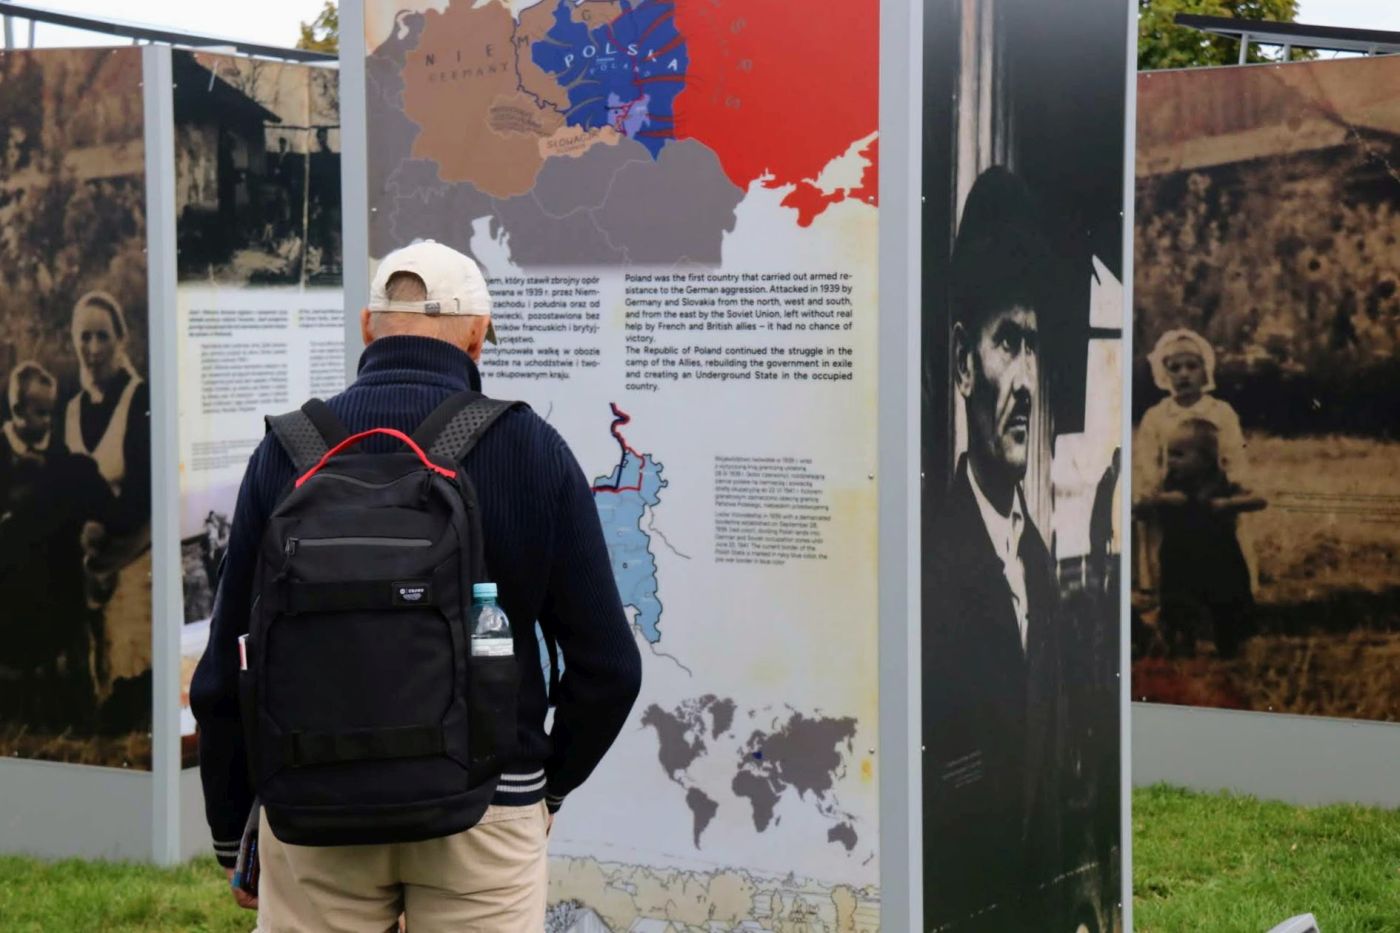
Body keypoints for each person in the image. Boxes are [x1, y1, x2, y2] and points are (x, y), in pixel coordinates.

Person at [191, 240, 642, 931]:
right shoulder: (531, 449)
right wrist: (542, 789)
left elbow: (226, 670)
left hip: (314, 804)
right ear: (476, 337)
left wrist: (233, 830)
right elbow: (609, 668)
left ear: (368, 327)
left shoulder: (285, 452)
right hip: (486, 808)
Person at [923, 167, 1066, 929]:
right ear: (962, 361)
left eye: (1034, 347)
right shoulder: (927, 561)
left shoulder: (1039, 563)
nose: (1026, 382)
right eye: (1007, 342)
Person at [0, 361, 121, 728]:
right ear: (17, 410)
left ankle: (66, 699)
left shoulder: (67, 463)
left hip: (58, 590)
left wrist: (96, 528)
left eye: (52, 412)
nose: (49, 421)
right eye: (41, 413)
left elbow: (105, 510)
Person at [63, 291, 152, 717]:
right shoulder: (70, 410)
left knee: (127, 675)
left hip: (133, 550)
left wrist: (102, 529)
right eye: (85, 337)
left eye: (102, 336)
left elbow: (142, 493)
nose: (93, 348)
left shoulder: (139, 399)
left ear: (120, 339)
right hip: (84, 555)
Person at [1133, 328, 1253, 597]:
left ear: (1205, 369)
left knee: (1221, 562)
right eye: (1175, 368)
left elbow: (1234, 455)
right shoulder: (1156, 416)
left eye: (1191, 366)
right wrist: (1154, 493)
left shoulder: (1221, 412)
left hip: (1212, 497)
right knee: (1173, 564)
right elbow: (1147, 460)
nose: (1184, 374)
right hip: (1172, 501)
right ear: (1164, 373)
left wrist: (1234, 488)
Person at [1135, 419, 1265, 659]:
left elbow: (1259, 500)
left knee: (1226, 599)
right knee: (1178, 601)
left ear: (1206, 459)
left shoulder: (1222, 481)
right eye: (1168, 454)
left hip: (1220, 555)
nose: (1170, 461)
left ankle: (1231, 644)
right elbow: (1140, 507)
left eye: (1178, 455)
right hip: (1179, 555)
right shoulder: (1167, 483)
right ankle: (1182, 644)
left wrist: (1228, 504)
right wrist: (1160, 501)